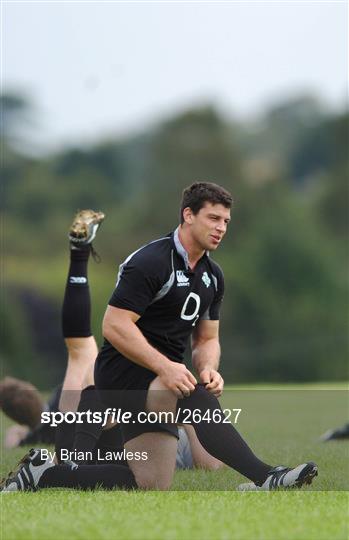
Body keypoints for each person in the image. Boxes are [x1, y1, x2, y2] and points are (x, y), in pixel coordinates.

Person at [1, 183, 318, 492]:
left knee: (151, 482)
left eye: (225, 221)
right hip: (120, 374)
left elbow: (207, 339)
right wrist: (165, 366)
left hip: (160, 376)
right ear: (188, 215)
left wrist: (208, 368)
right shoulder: (151, 261)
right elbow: (115, 325)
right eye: (213, 218)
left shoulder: (213, 276)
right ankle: (267, 477)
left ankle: (44, 476)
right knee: (190, 395)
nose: (221, 227)